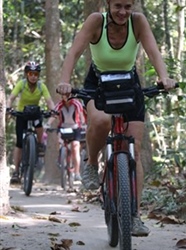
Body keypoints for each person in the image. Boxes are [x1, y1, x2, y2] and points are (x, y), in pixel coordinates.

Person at [56, 0, 176, 236]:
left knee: (135, 148)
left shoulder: (138, 21)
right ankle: (91, 163)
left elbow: (153, 51)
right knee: (101, 121)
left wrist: (164, 77)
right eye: (118, 6)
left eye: (128, 7)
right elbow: (74, 51)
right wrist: (65, 81)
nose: (123, 12)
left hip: (129, 84)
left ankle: (134, 216)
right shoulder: (96, 22)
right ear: (107, 4)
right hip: (99, 84)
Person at [6, 61, 55, 183]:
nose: (33, 76)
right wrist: (8, 108)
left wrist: (53, 110)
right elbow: (11, 97)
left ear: (38, 75)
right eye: (30, 74)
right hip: (22, 114)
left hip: (35, 113)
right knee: (19, 143)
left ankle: (38, 145)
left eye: (36, 74)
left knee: (39, 125)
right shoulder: (21, 84)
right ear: (26, 74)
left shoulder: (41, 86)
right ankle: (16, 171)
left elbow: (49, 101)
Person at [45, 94, 86, 181]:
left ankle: (77, 172)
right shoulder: (59, 105)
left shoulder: (76, 103)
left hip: (75, 128)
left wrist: (83, 124)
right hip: (63, 127)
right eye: (64, 95)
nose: (66, 97)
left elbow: (81, 114)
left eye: (68, 95)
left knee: (75, 147)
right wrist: (48, 124)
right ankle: (61, 157)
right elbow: (54, 115)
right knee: (59, 141)